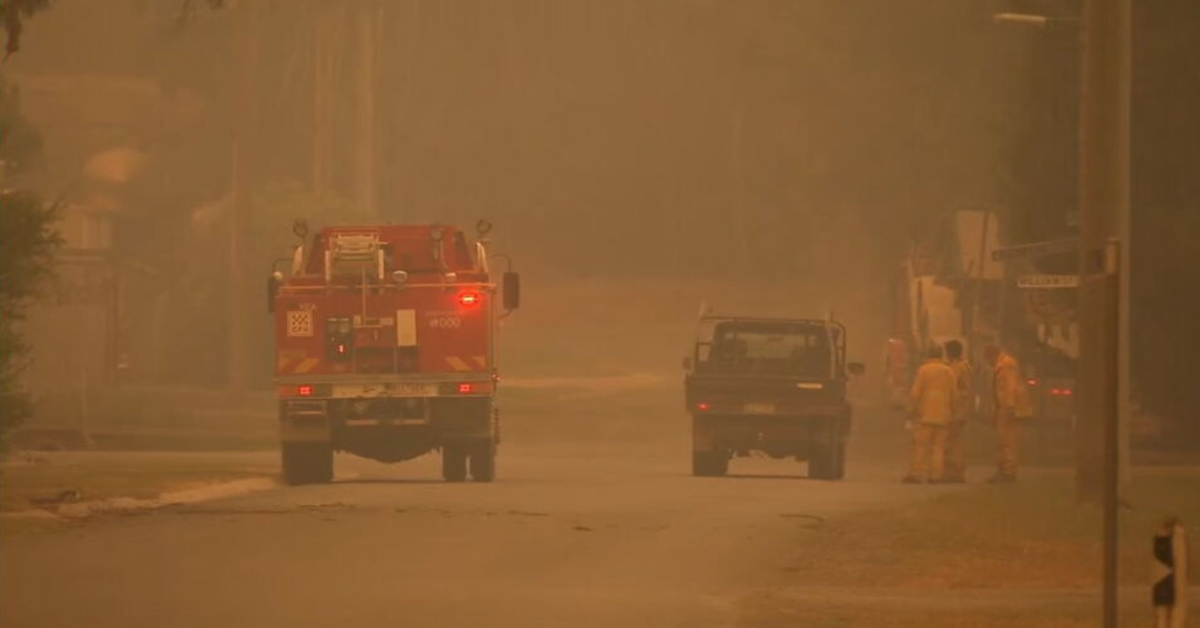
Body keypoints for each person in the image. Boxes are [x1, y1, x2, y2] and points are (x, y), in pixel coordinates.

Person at [903, 344, 957, 483]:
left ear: (928, 355)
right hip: (944, 416)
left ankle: (917, 474)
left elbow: (916, 393)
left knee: (921, 446)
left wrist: (911, 410)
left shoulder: (924, 370)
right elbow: (954, 394)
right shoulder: (949, 371)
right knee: (938, 447)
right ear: (941, 355)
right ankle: (936, 476)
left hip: (925, 415)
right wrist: (953, 412)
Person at [983, 344, 1033, 483]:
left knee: (1008, 440)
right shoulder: (1004, 364)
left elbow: (1009, 387)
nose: (989, 364)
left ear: (992, 356)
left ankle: (1008, 472)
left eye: (988, 360)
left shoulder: (1005, 365)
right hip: (1006, 407)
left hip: (1010, 408)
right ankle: (1004, 470)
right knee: (1003, 440)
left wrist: (1010, 406)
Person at [943, 340, 974, 483]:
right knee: (956, 441)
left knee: (952, 442)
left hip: (956, 411)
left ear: (949, 353)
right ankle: (956, 472)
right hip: (962, 410)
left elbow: (951, 388)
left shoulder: (956, 367)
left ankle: (954, 473)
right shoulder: (965, 365)